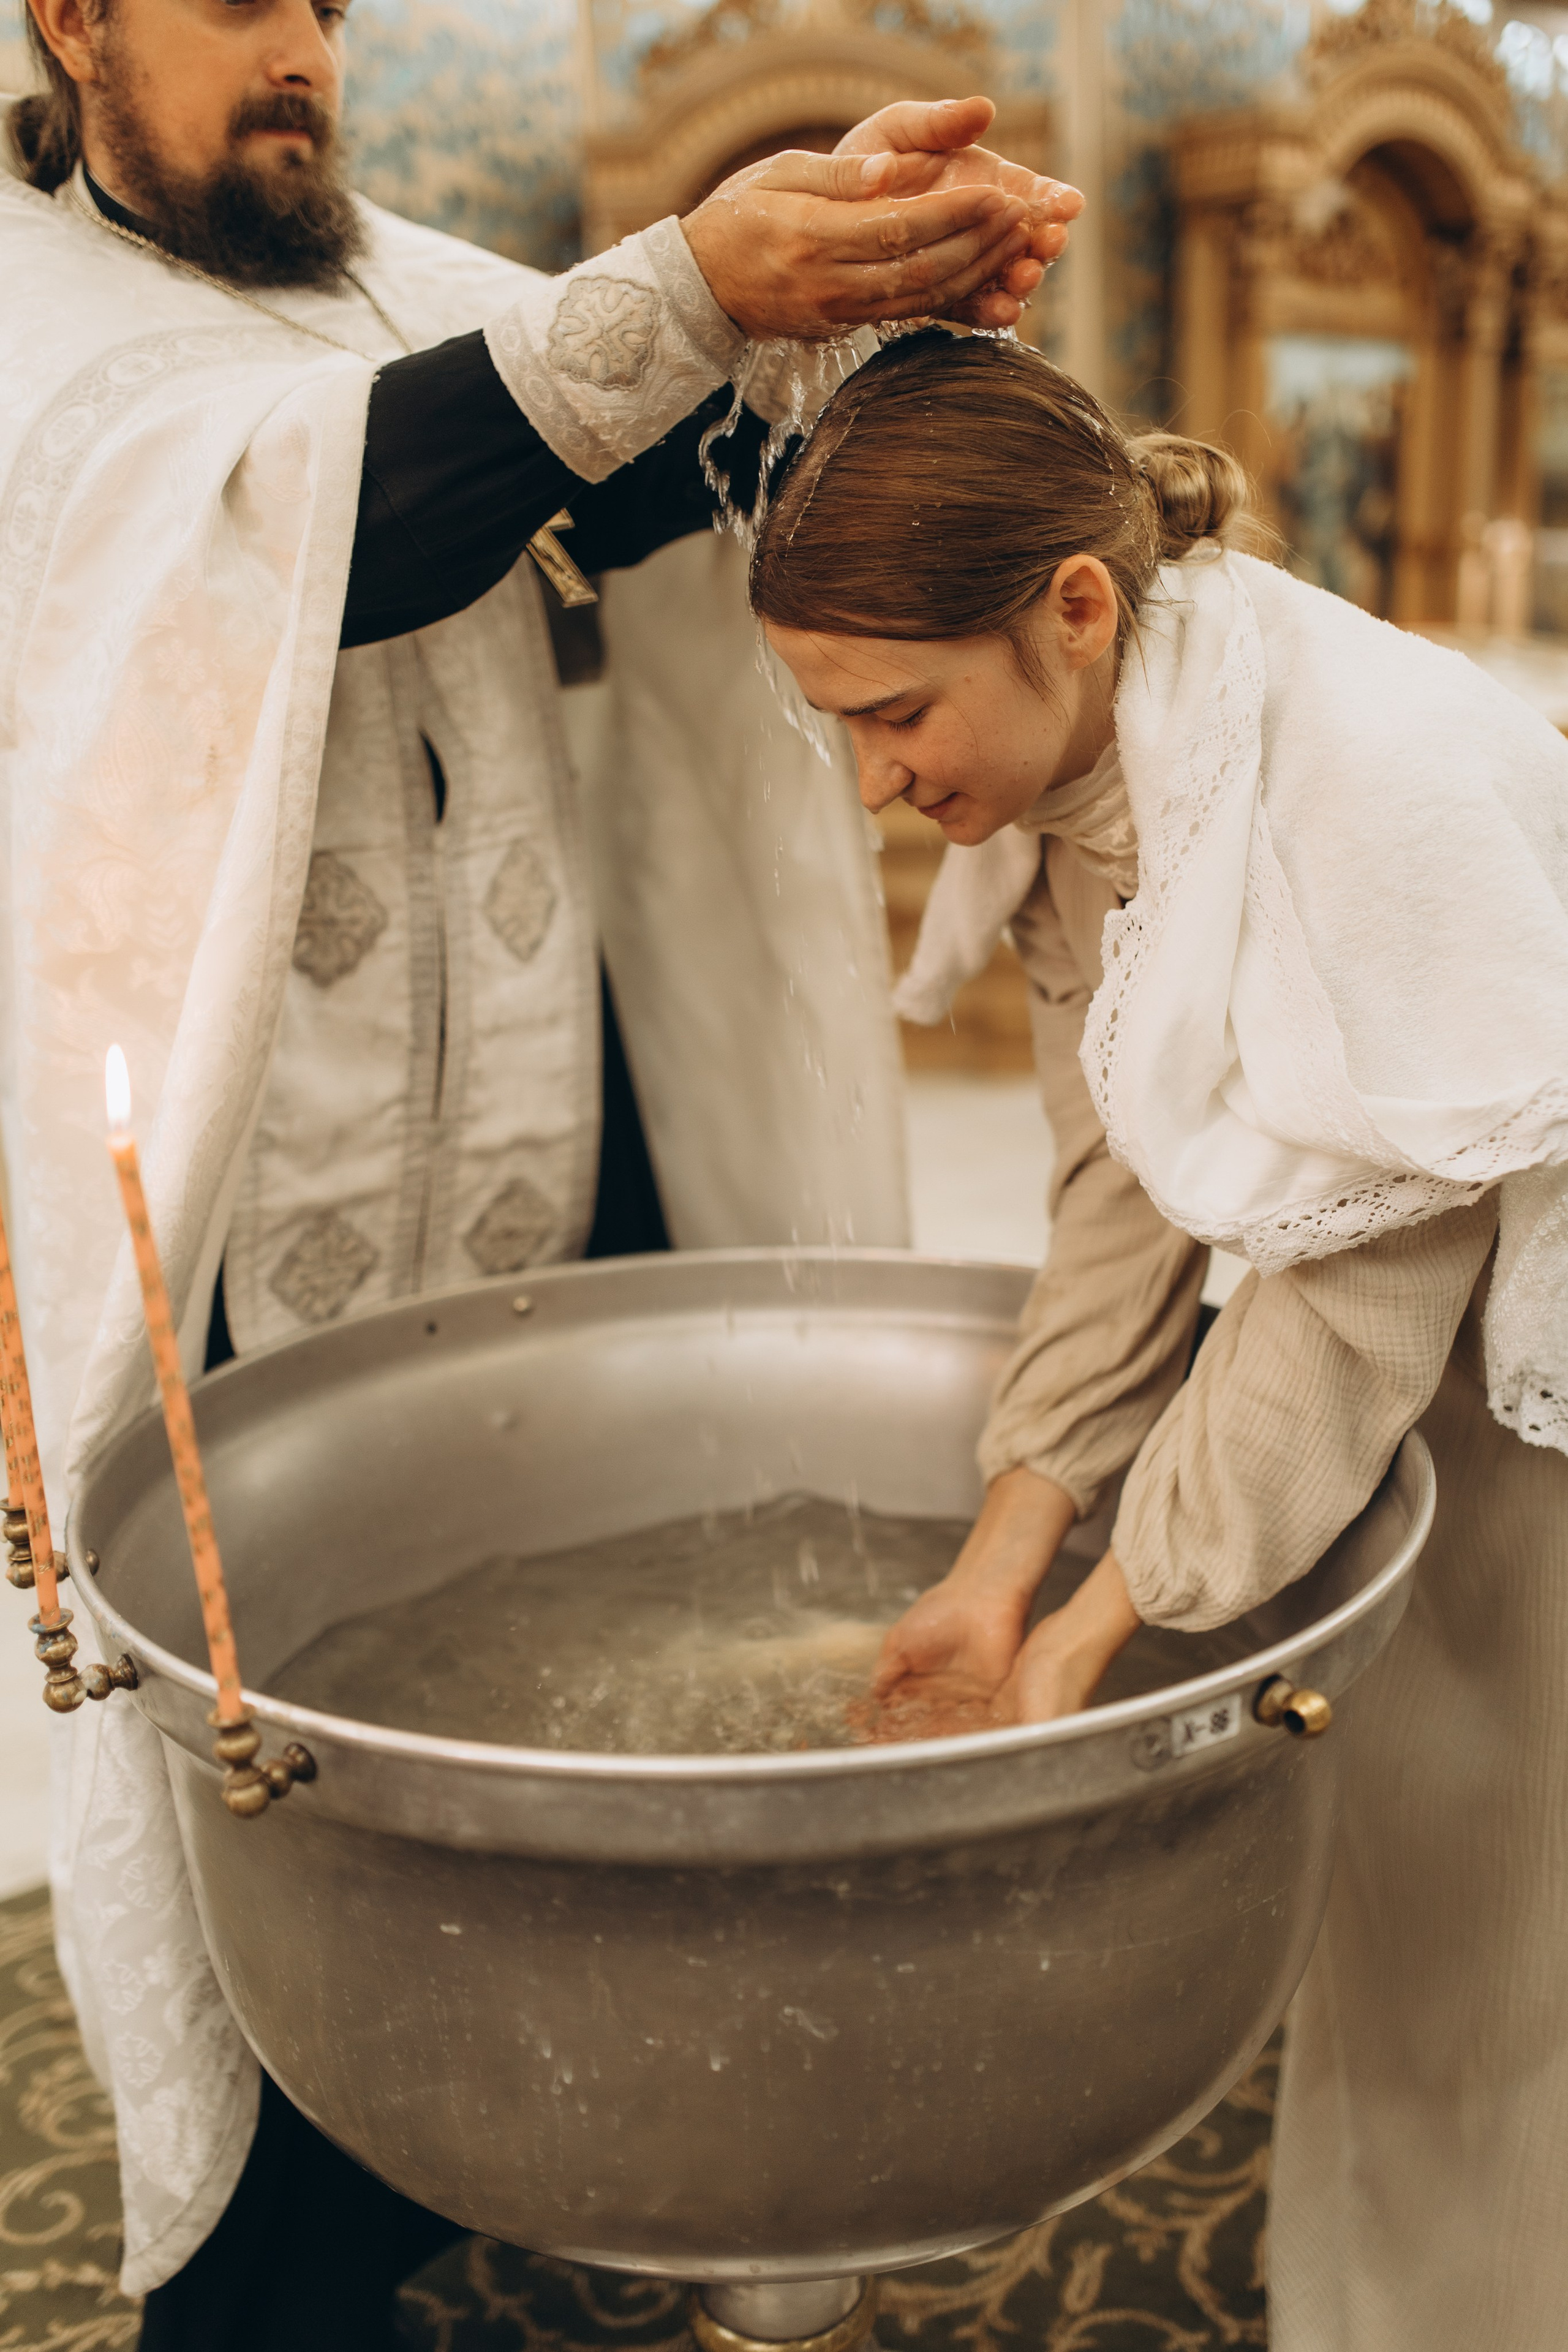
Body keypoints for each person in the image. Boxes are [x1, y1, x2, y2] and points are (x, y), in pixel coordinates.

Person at [1, 2, 1082, 2334]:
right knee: (284, 1787)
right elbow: (343, 520)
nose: (298, 48)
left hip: (558, 1146)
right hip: (211, 1225)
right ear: (70, 19)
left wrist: (850, 289)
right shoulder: (24, 332)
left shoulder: (439, 290)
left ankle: (608, 2154)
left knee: (587, 1693)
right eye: (231, 1)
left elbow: (631, 481)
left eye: (324, 6)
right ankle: (289, 2271)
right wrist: (694, 283)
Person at [750, 328, 1568, 2352]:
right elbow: (1122, 1187)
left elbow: (1359, 1289)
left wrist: (1099, 1637)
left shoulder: (1350, 784)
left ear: (1075, 608)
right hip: (1389, 1327)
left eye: (895, 710)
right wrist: (999, 1561)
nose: (874, 778)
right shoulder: (1086, 766)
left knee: (1496, 1921)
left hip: (1524, 1348)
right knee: (1394, 1895)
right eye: (831, 726)